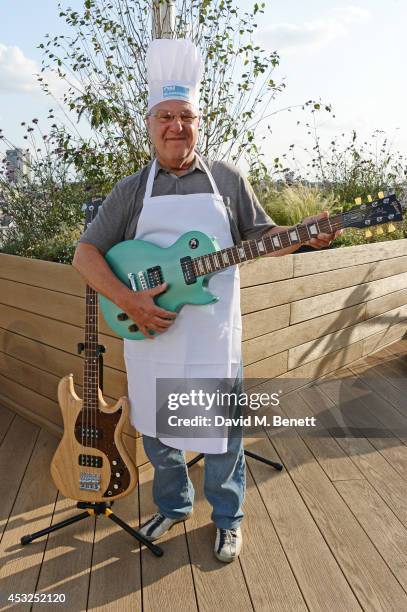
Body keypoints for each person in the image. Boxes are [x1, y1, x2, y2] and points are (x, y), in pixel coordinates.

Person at [73, 38, 338, 563]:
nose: (176, 126)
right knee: (157, 435)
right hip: (150, 334)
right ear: (150, 125)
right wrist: (131, 299)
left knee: (223, 440)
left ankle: (228, 518)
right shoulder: (130, 191)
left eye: (185, 116)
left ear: (199, 122)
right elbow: (85, 255)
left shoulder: (228, 180)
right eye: (165, 116)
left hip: (213, 336)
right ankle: (172, 506)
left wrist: (303, 234)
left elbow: (263, 237)